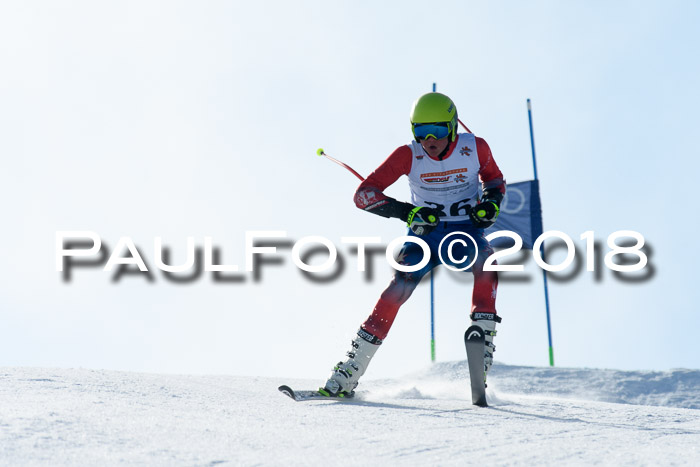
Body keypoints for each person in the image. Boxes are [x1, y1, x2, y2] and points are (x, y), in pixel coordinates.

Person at [320, 92, 506, 397]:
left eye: (437, 131)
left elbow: (495, 180)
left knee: (487, 264)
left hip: (465, 233)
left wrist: (490, 204)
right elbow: (364, 195)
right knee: (398, 287)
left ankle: (482, 348)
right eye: (420, 132)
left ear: (453, 127)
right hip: (425, 237)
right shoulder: (408, 155)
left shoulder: (476, 148)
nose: (429, 140)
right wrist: (407, 212)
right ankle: (351, 369)